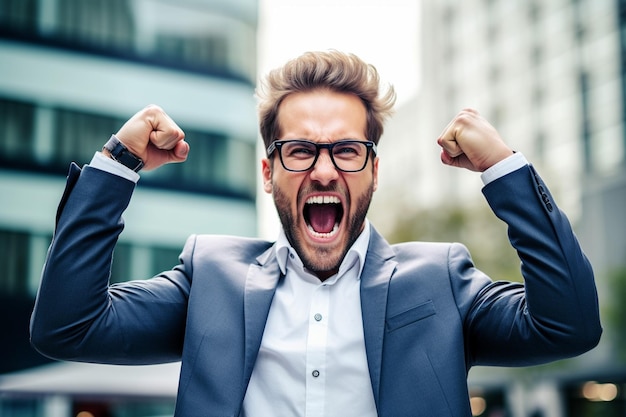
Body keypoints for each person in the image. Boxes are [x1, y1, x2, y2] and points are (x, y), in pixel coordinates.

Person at [30, 50, 602, 417]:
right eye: (299, 150)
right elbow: (67, 327)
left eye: (348, 151)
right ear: (267, 172)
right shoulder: (210, 278)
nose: (324, 171)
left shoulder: (441, 280)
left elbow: (569, 327)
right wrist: (117, 163)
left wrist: (501, 168)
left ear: (374, 170)